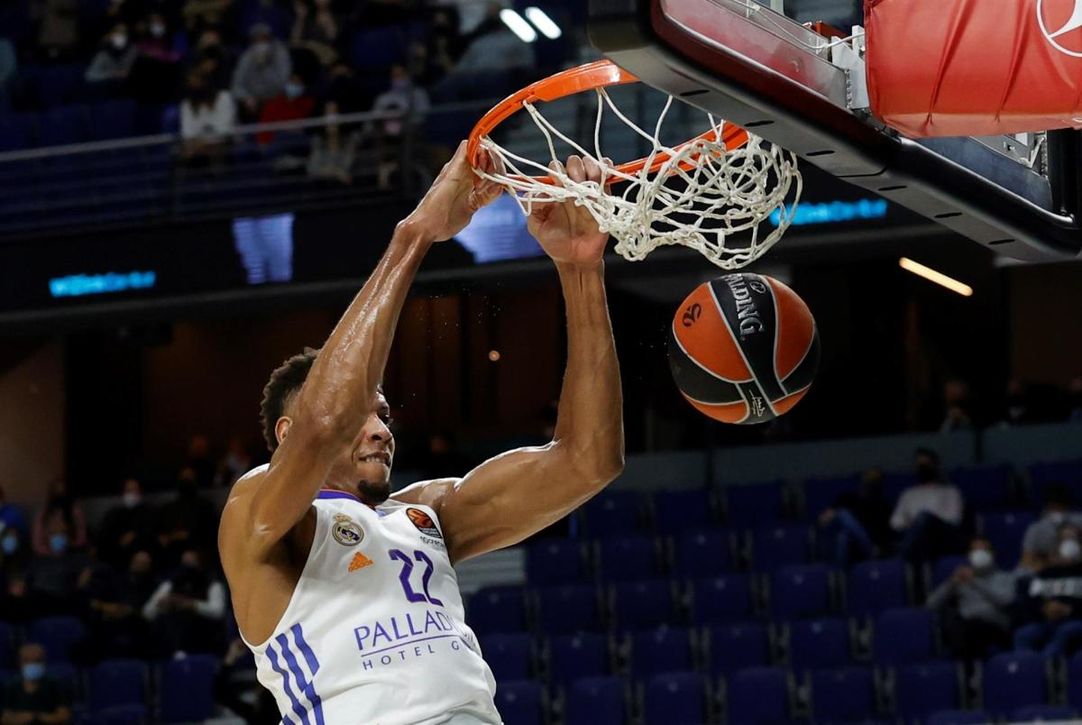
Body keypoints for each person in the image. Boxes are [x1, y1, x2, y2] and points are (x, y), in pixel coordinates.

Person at [218, 146, 623, 723]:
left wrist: (581, 269)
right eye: (365, 412)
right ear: (285, 433)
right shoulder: (256, 512)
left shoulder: (429, 513)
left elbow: (589, 461)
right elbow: (325, 422)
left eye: (383, 413)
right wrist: (417, 234)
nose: (380, 428)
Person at [926, 536, 1015, 660]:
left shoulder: (1005, 577)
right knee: (955, 623)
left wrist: (975, 582)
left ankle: (966, 671)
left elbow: (1006, 601)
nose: (979, 554)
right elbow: (931, 604)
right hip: (966, 627)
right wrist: (952, 583)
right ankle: (967, 671)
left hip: (995, 627)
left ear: (992, 554)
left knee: (965, 630)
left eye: (984, 550)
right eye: (975, 551)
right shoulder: (961, 580)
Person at [1014, 523, 1082, 658]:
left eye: (1072, 539)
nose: (1068, 544)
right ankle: (1026, 671)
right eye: (1063, 540)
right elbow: (1030, 602)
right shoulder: (1045, 574)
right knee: (1023, 634)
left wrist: (1070, 610)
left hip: (1077, 620)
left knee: (1065, 631)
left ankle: (1047, 667)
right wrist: (1044, 607)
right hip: (1048, 621)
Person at [143, 548, 227, 656]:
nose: (187, 568)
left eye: (191, 563)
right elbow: (147, 612)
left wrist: (190, 604)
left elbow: (218, 611)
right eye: (184, 564)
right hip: (170, 644)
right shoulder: (171, 583)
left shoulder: (212, 584)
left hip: (204, 641)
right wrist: (161, 605)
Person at [81, 549, 159, 661]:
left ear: (149, 566)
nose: (138, 565)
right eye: (136, 562)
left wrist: (128, 611)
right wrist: (106, 607)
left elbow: (145, 612)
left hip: (136, 629)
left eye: (143, 564)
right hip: (109, 624)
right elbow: (94, 602)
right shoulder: (117, 580)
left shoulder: (152, 586)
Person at [891, 448, 966, 562]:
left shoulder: (950, 491)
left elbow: (954, 519)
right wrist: (915, 525)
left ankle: (897, 560)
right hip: (915, 536)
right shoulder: (908, 494)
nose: (922, 468)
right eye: (919, 465)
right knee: (919, 526)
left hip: (942, 537)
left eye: (926, 464)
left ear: (935, 466)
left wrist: (925, 521)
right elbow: (895, 521)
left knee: (924, 518)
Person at [817, 468, 893, 567]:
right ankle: (840, 575)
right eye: (868, 478)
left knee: (844, 528)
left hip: (863, 549)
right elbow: (822, 521)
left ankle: (840, 577)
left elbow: (884, 538)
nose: (869, 482)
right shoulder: (847, 499)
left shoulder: (884, 507)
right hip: (837, 546)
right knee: (843, 528)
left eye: (874, 480)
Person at [231, 23, 292, 121]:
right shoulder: (247, 56)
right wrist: (247, 97)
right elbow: (236, 85)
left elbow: (282, 83)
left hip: (275, 98)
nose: (260, 43)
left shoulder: (280, 53)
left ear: (270, 39)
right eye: (256, 40)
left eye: (263, 39)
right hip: (253, 101)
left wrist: (264, 67)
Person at [1, 643, 71, 724]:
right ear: (20, 663)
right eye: (27, 660)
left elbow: (64, 716)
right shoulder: (11, 686)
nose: (32, 664)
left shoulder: (55, 684)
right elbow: (5, 718)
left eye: (37, 661)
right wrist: (20, 719)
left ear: (44, 662)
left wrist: (38, 717)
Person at [1021, 484, 1082, 573]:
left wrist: (1078, 538)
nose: (1057, 511)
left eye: (1061, 507)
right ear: (1046, 508)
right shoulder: (1036, 529)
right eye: (1053, 507)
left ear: (1067, 507)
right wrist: (1049, 562)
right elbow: (1026, 561)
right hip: (1049, 572)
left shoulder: (1079, 521)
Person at [97, 478, 157, 566]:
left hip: (141, 550)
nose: (131, 494)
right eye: (128, 490)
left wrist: (135, 535)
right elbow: (105, 534)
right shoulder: (114, 514)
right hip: (116, 553)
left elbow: (151, 532)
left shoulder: (149, 512)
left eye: (134, 490)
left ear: (140, 492)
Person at [180, 69, 236, 164]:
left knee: (217, 151)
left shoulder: (225, 98)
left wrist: (202, 144)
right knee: (181, 154)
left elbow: (224, 130)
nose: (195, 87)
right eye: (191, 84)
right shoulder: (187, 105)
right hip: (196, 146)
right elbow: (188, 133)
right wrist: (199, 145)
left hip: (224, 143)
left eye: (198, 83)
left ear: (206, 83)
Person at [32, 481, 86, 557]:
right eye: (57, 493)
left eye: (63, 493)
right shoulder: (43, 514)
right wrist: (49, 551)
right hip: (47, 557)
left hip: (71, 554)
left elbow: (81, 538)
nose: (60, 496)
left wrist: (69, 545)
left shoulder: (75, 512)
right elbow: (37, 544)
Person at [84, 23, 138, 89]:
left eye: (123, 32)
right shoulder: (103, 52)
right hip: (106, 87)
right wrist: (114, 74)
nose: (120, 35)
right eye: (117, 31)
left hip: (128, 88)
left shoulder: (133, 49)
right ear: (110, 34)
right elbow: (91, 75)